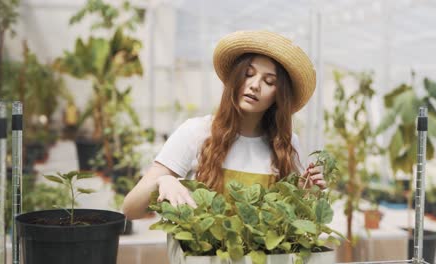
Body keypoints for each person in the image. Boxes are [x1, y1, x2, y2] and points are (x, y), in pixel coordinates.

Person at [123, 30, 326, 220]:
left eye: (269, 81)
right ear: (235, 77)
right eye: (248, 73)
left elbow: (294, 226)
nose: (255, 85)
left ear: (279, 96)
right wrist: (163, 181)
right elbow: (130, 209)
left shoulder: (286, 144)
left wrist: (307, 195)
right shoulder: (196, 132)